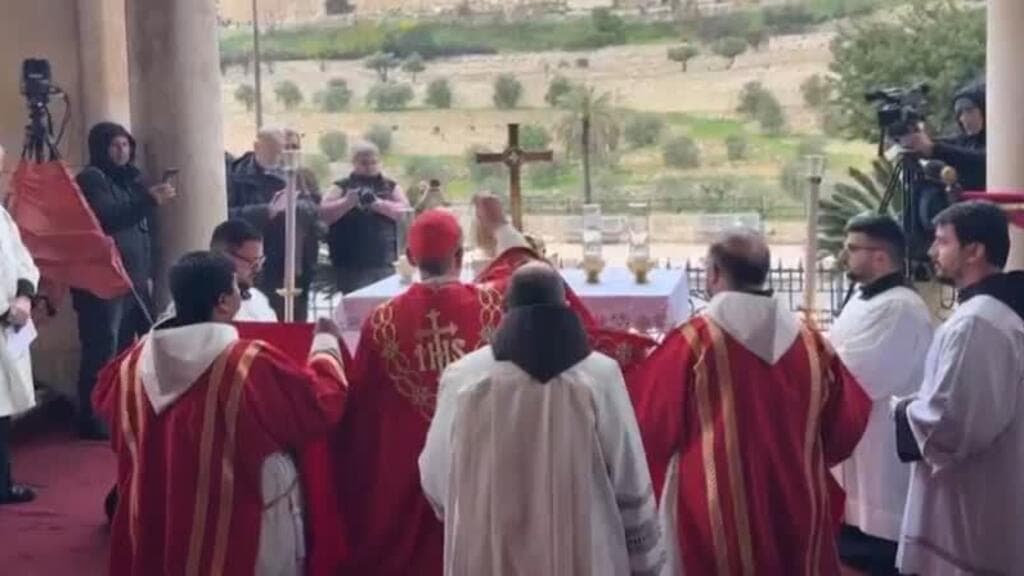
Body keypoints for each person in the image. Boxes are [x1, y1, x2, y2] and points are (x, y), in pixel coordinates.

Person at [630, 230, 871, 575]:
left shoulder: (695, 342)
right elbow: (846, 424)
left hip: (715, 502)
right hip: (796, 493)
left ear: (713, 274)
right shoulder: (812, 343)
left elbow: (648, 423)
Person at [94, 251, 348, 576]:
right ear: (223, 302)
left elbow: (104, 405)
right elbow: (320, 404)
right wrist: (325, 345)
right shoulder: (246, 364)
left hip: (157, 513)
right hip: (237, 524)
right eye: (237, 290)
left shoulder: (130, 365)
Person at [420, 263, 665, 576]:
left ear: (505, 310)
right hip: (585, 555)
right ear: (565, 307)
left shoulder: (463, 378)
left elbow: (437, 476)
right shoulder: (600, 376)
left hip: (490, 556)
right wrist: (645, 564)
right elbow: (628, 475)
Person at [330, 209, 503, 576]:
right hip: (481, 460)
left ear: (410, 259)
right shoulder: (493, 307)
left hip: (404, 468)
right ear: (461, 255)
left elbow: (363, 406)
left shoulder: (382, 320)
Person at [893, 201, 1024, 575]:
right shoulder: (992, 313)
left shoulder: (978, 322)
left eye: (942, 242)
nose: (933, 252)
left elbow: (954, 426)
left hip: (973, 503)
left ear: (974, 251)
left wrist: (903, 410)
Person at [828, 215, 934, 575]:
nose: (845, 254)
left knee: (882, 528)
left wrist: (812, 356)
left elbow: (856, 371)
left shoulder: (900, 307)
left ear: (880, 257)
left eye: (853, 248)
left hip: (882, 436)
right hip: (861, 433)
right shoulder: (865, 297)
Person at [74, 122, 175, 439]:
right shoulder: (92, 178)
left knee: (131, 348)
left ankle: (122, 407)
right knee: (102, 350)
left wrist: (146, 275)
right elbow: (108, 217)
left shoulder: (132, 178)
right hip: (103, 282)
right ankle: (93, 418)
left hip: (133, 279)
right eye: (115, 146)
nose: (122, 152)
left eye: (126, 145)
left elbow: (142, 231)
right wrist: (148, 199)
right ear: (100, 148)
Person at [227, 127, 320, 321]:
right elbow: (225, 214)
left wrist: (293, 206)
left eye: (284, 151)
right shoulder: (235, 175)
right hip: (256, 263)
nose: (280, 157)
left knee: (295, 324)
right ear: (257, 147)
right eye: (275, 150)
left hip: (293, 262)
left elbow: (313, 207)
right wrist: (266, 211)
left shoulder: (295, 173)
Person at [0, 143, 41, 505]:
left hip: (12, 320)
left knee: (3, 409)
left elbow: (23, 261)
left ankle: (3, 481)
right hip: (4, 317)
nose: (5, 179)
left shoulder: (3, 216)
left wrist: (25, 296)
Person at [320, 141, 411, 294]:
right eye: (364, 163)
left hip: (383, 262)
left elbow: (404, 211)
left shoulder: (391, 186)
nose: (369, 167)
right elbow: (323, 213)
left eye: (373, 162)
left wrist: (378, 204)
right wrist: (346, 203)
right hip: (349, 263)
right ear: (354, 163)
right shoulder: (341, 186)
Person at [901, 79, 986, 193]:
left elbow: (979, 160)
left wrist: (934, 149)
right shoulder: (964, 140)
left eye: (969, 111)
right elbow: (945, 144)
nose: (964, 118)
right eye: (960, 113)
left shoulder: (1001, 143)